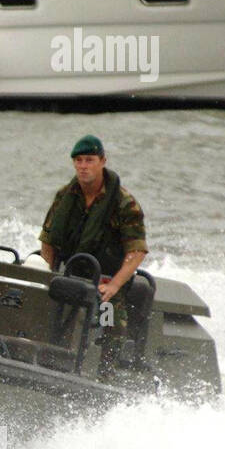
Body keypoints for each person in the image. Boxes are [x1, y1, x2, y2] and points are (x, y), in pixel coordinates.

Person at [39, 135, 148, 348]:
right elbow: (48, 239)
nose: (83, 166)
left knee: (110, 318)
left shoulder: (123, 203)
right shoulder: (65, 196)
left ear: (102, 162)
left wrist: (115, 285)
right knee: (39, 301)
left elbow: (137, 251)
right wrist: (48, 274)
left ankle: (106, 370)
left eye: (89, 160)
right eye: (78, 161)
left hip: (106, 278)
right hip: (69, 271)